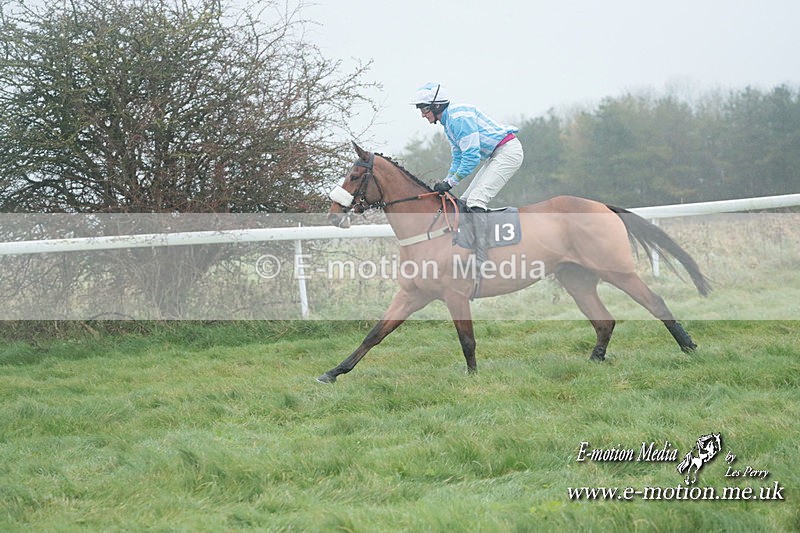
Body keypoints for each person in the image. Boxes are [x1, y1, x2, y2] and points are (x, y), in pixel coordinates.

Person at [410, 82, 524, 272]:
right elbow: (458, 157)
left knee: (476, 201)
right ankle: (469, 250)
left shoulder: (457, 120)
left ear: (437, 106)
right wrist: (447, 181)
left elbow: (471, 158)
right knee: (464, 202)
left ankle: (482, 257)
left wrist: (450, 182)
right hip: (496, 154)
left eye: (424, 109)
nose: (422, 114)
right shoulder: (449, 122)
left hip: (507, 152)